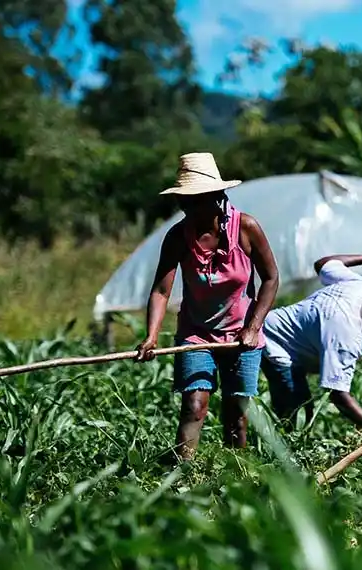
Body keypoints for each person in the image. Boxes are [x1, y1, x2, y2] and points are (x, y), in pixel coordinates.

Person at [135, 152, 279, 461]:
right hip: (196, 333)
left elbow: (270, 278)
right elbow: (161, 290)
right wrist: (151, 336)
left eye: (194, 199)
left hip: (241, 336)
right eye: (183, 200)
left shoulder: (246, 228)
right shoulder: (178, 237)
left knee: (236, 415)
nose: (186, 207)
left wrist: (253, 327)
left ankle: (234, 475)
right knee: (194, 406)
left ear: (215, 196)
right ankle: (182, 473)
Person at [260, 254, 362, 436]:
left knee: (303, 413)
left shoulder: (358, 286)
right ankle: (276, 449)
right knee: (294, 416)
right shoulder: (345, 336)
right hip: (276, 343)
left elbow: (322, 264)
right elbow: (337, 394)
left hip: (283, 329)